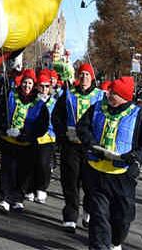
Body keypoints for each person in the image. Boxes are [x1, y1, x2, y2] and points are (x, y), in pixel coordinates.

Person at [77, 75, 142, 250]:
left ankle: (115, 241)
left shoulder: (139, 115)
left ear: (123, 96)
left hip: (122, 177)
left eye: (112, 93)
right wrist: (90, 142)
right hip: (96, 171)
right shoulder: (97, 108)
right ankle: (99, 246)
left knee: (122, 218)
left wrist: (135, 156)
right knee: (99, 215)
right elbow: (82, 127)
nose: (108, 95)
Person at [52, 62, 104, 231]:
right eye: (81, 74)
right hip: (71, 145)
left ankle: (88, 210)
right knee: (70, 182)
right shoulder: (68, 94)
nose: (84, 78)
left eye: (87, 75)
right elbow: (57, 116)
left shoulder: (100, 96)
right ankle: (70, 216)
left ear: (92, 78)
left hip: (91, 148)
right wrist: (62, 133)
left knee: (90, 184)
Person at [0, 68, 47, 213]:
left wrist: (27, 135)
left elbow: (42, 125)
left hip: (27, 143)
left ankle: (17, 198)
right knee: (7, 170)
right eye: (25, 82)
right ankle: (4, 199)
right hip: (8, 140)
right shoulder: (10, 96)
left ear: (34, 85)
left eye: (30, 83)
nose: (27, 86)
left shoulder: (39, 103)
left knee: (23, 172)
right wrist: (5, 128)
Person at [28, 68, 58, 202]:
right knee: (31, 163)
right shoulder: (32, 100)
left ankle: (41, 188)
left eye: (47, 86)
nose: (45, 89)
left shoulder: (54, 102)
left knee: (44, 164)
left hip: (48, 137)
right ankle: (30, 188)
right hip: (33, 136)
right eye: (42, 86)